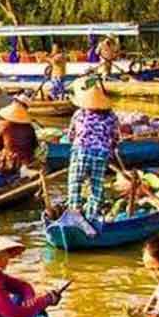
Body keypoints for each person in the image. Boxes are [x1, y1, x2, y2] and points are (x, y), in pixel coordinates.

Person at [66, 82, 118, 220]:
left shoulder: (79, 114)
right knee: (96, 186)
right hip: (101, 153)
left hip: (81, 151)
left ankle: (74, 213)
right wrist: (111, 152)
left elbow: (70, 135)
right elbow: (114, 138)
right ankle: (91, 215)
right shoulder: (111, 117)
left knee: (75, 183)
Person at [0, 98, 38, 170]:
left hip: (12, 160)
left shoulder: (5, 127)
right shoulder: (30, 127)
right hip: (28, 159)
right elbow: (34, 145)